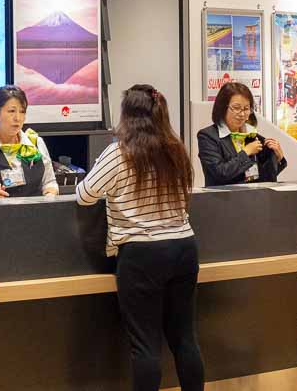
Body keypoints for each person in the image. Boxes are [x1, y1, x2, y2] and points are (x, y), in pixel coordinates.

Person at [76, 84, 204, 391]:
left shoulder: (120, 151)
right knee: (185, 338)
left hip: (142, 254)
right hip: (184, 246)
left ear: (127, 115)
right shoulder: (176, 148)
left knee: (145, 345)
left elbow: (84, 195)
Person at [197, 82, 286, 187]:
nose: (242, 114)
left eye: (246, 108)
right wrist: (246, 152)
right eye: (236, 108)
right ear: (222, 108)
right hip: (223, 201)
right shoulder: (207, 136)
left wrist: (278, 158)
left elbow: (266, 178)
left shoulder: (253, 136)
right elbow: (220, 173)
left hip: (253, 200)